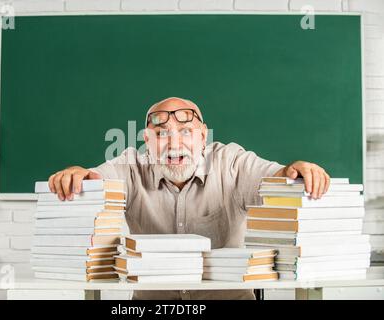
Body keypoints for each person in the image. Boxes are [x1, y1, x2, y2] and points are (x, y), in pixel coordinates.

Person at [48, 97, 330, 299]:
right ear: (147, 141)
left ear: (203, 137)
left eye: (186, 132)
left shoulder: (231, 162)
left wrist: (296, 170)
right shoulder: (130, 165)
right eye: (161, 134)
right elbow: (96, 179)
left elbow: (274, 177)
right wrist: (78, 174)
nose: (174, 142)